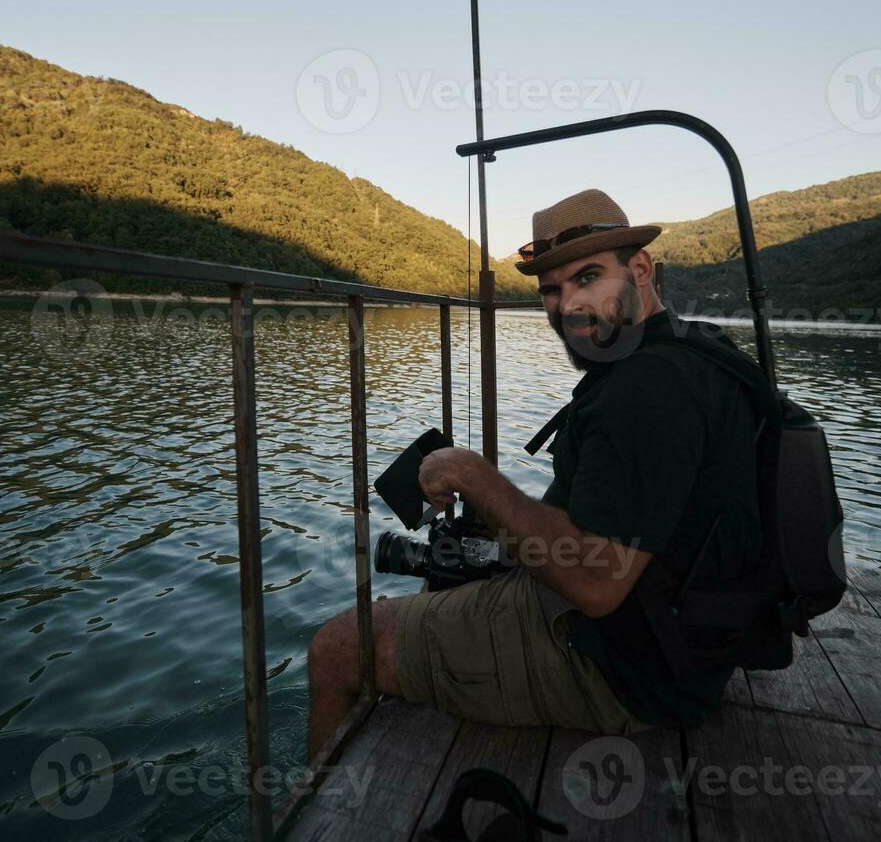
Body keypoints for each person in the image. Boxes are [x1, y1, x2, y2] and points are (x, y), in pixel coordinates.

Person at [305, 189, 762, 760]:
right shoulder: (694, 350)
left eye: (587, 277)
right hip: (676, 643)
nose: (566, 304)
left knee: (337, 647)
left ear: (640, 269)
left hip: (618, 668)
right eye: (551, 288)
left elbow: (597, 584)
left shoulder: (646, 390)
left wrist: (476, 477)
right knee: (453, 571)